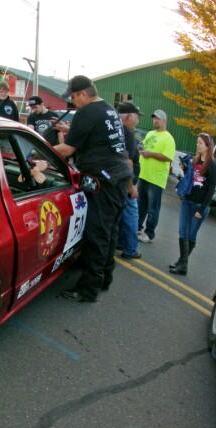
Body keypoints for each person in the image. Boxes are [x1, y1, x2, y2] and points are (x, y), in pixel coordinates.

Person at [52, 76, 132, 303]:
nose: (73, 103)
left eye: (74, 98)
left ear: (83, 94)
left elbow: (68, 149)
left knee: (96, 233)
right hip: (119, 177)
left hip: (103, 180)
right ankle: (104, 277)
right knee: (110, 231)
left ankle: (88, 289)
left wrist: (40, 150)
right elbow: (99, 138)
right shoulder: (108, 110)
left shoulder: (87, 112)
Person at [169, 133, 216, 275]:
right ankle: (182, 263)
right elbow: (190, 179)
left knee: (191, 235)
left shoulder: (213, 166)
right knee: (182, 231)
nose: (197, 145)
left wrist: (201, 209)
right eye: (197, 143)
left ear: (208, 147)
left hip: (199, 206)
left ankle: (182, 263)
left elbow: (210, 191)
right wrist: (185, 169)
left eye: (200, 143)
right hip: (188, 201)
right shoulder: (195, 161)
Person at [137, 109, 176, 244]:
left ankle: (149, 233)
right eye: (154, 118)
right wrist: (140, 147)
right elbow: (144, 146)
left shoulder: (168, 138)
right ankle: (137, 228)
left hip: (156, 179)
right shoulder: (150, 133)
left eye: (158, 118)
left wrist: (150, 154)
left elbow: (168, 157)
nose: (155, 121)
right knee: (140, 204)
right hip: (143, 174)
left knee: (152, 208)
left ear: (164, 121)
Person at [116, 102, 143, 259]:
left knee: (120, 214)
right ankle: (131, 249)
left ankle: (120, 242)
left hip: (116, 181)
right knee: (131, 214)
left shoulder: (116, 130)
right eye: (136, 116)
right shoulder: (127, 134)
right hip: (125, 183)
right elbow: (128, 162)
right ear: (128, 117)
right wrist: (131, 186)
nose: (138, 120)